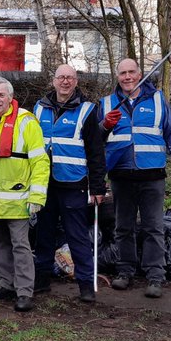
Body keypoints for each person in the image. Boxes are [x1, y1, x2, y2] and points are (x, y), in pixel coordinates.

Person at [100, 57, 171, 298]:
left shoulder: (158, 100)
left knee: (153, 227)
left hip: (152, 175)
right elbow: (93, 140)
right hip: (121, 175)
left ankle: (155, 276)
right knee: (123, 227)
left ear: (139, 73)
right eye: (123, 73)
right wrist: (104, 126)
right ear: (117, 76)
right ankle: (125, 271)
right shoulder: (108, 103)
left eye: (132, 72)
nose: (127, 77)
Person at [0, 77, 50, 312]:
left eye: (1, 95)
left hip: (18, 200)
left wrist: (37, 197)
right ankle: (6, 283)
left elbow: (40, 161)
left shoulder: (26, 122)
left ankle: (25, 291)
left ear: (10, 97)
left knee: (20, 246)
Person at [32, 64, 109, 303]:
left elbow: (96, 152)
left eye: (70, 78)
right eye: (61, 77)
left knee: (77, 237)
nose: (65, 82)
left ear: (76, 82)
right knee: (43, 236)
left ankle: (86, 285)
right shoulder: (38, 108)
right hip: (44, 184)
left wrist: (97, 187)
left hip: (74, 184)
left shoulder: (87, 110)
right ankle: (41, 281)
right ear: (53, 81)